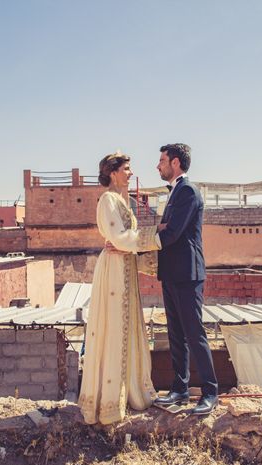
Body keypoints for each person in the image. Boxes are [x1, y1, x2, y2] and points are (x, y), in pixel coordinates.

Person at [78, 151, 162, 425]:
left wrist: (136, 247)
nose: (130, 172)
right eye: (127, 168)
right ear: (113, 172)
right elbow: (119, 238)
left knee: (126, 326)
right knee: (115, 328)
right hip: (114, 269)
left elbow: (125, 242)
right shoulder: (108, 200)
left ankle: (131, 392)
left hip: (124, 267)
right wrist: (156, 238)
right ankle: (110, 402)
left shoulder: (123, 200)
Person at [153, 143, 219, 415]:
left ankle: (210, 392)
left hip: (188, 273)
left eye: (162, 160)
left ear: (176, 163)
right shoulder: (175, 193)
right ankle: (179, 389)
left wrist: (142, 239)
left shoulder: (188, 192)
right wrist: (159, 228)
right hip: (171, 273)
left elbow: (172, 233)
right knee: (175, 334)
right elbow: (165, 230)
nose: (158, 166)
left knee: (194, 334)